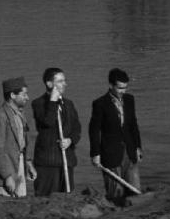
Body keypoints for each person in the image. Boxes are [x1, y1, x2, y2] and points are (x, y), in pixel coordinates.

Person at [89, 68, 142, 202]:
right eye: (120, 88)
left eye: (125, 87)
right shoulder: (100, 104)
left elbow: (133, 125)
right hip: (110, 155)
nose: (123, 91)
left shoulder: (130, 100)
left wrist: (138, 147)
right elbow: (94, 130)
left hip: (129, 152)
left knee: (135, 190)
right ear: (111, 85)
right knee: (115, 194)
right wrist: (95, 154)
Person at [0, 77, 37, 197]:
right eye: (24, 94)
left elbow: (23, 143)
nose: (27, 97)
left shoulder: (20, 114)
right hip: (4, 173)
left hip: (19, 167)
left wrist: (28, 164)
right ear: (13, 95)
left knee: (20, 207)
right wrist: (7, 176)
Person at [31, 68, 81, 196]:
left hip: (67, 160)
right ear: (49, 84)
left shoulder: (69, 104)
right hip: (47, 162)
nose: (65, 84)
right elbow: (48, 122)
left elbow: (77, 128)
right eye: (60, 81)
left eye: (64, 80)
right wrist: (53, 101)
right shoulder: (38, 103)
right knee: (45, 199)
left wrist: (70, 140)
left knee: (66, 198)